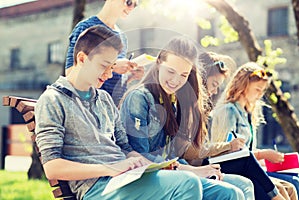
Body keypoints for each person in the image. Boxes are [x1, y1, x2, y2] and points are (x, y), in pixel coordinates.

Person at [35, 25, 204, 200]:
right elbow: (52, 167)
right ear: (82, 58)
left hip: (125, 178)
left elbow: (125, 148)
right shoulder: (53, 100)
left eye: (113, 66)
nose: (109, 74)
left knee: (226, 192)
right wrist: (110, 168)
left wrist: (150, 165)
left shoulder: (104, 99)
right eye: (104, 66)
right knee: (187, 183)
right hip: (98, 187)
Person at [120, 36, 255, 199]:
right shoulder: (139, 98)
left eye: (183, 75)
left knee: (243, 185)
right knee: (229, 193)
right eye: (171, 71)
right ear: (159, 63)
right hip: (148, 178)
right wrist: (191, 171)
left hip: (174, 172)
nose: (176, 81)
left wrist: (195, 169)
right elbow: (141, 158)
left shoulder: (172, 101)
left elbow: (172, 155)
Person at [210, 62, 298, 200]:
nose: (260, 95)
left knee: (292, 185)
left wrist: (268, 159)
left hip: (253, 169)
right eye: (257, 89)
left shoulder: (248, 114)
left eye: (263, 91)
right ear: (243, 86)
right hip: (234, 170)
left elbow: (249, 151)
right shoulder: (228, 111)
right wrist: (264, 154)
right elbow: (225, 152)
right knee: (282, 189)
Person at [65, 0, 144, 105]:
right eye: (129, 2)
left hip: (113, 109)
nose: (131, 8)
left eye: (135, 5)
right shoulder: (85, 28)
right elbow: (71, 73)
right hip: (89, 107)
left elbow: (113, 81)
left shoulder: (122, 37)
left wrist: (129, 76)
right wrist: (113, 66)